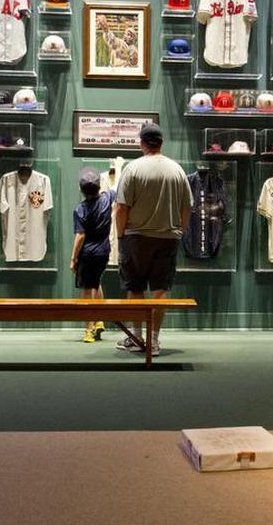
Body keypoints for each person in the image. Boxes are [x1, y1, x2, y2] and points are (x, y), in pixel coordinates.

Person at [113, 123, 192, 355]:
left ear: (142, 143)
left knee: (135, 288)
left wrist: (120, 235)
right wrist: (180, 231)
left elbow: (121, 208)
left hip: (136, 237)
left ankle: (137, 338)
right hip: (167, 237)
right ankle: (154, 341)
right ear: (161, 142)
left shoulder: (133, 168)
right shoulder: (176, 170)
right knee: (159, 290)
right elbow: (187, 207)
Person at [71, 167, 115, 343]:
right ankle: (100, 320)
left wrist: (73, 258)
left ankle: (89, 329)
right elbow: (116, 187)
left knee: (86, 290)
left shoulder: (80, 209)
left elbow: (80, 236)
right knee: (96, 283)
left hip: (88, 254)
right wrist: (118, 168)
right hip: (104, 252)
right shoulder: (106, 199)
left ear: (81, 190)